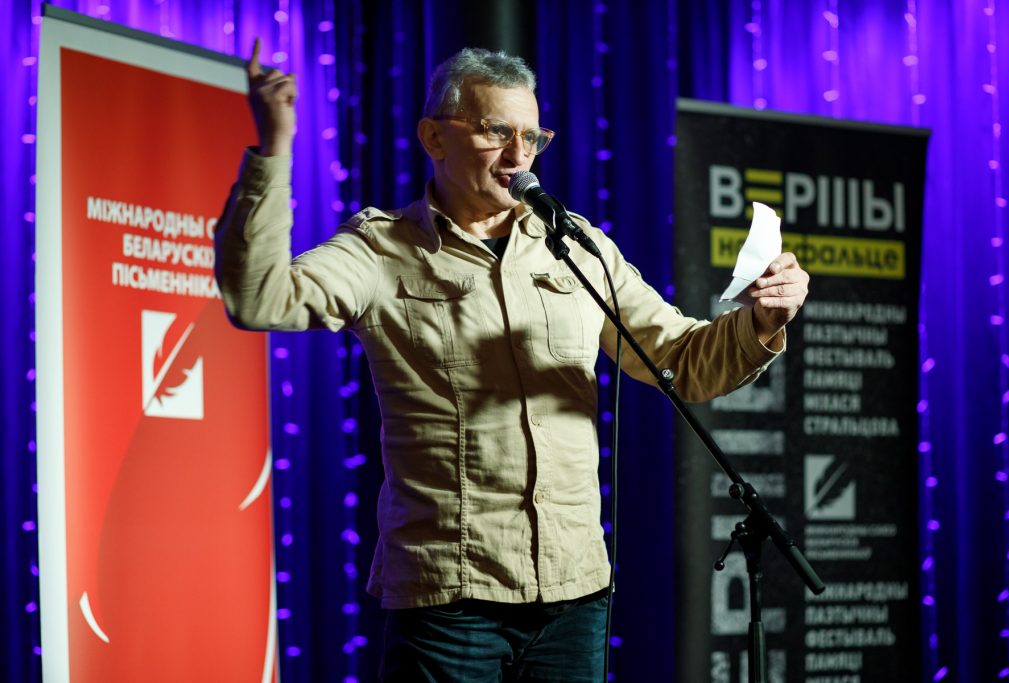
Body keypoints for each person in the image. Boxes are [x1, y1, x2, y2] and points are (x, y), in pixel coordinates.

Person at [215, 39, 809, 683]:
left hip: (574, 594)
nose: (518, 155)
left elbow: (681, 359)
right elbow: (259, 297)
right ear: (434, 137)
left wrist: (763, 321)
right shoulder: (382, 249)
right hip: (451, 604)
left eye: (532, 137)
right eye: (497, 132)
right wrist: (274, 148)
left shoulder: (575, 246)